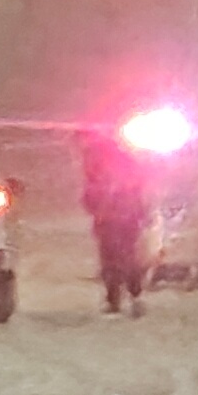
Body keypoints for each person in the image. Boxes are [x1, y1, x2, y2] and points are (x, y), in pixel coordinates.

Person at [78, 126, 151, 318]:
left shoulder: (97, 163)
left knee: (112, 258)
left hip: (110, 218)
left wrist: (95, 206)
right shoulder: (124, 162)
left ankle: (115, 299)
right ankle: (134, 296)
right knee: (127, 256)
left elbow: (93, 192)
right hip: (126, 217)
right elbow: (137, 188)